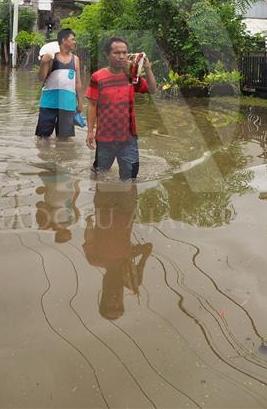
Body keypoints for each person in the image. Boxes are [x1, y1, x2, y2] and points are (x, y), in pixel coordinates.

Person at [86, 36, 156, 180]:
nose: (122, 56)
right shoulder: (98, 77)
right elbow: (92, 105)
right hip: (105, 137)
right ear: (107, 55)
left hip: (128, 137)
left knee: (130, 178)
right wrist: (90, 131)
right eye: (117, 53)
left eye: (124, 53)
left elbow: (152, 89)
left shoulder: (131, 76)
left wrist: (147, 68)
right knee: (99, 173)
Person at [83, 181, 152, 320]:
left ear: (103, 299)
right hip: (127, 208)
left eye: (111, 306)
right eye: (119, 306)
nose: (115, 302)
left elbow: (89, 239)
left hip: (104, 206)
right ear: (122, 302)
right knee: (128, 173)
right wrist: (137, 259)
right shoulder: (131, 274)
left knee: (105, 172)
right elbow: (148, 248)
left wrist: (89, 224)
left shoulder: (94, 259)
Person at [35, 28, 83, 141]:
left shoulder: (76, 60)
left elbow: (78, 82)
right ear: (63, 40)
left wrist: (80, 102)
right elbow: (41, 78)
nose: (75, 42)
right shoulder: (51, 58)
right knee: (43, 138)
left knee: (64, 140)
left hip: (68, 104)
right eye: (73, 39)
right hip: (49, 104)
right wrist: (43, 63)